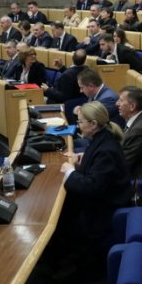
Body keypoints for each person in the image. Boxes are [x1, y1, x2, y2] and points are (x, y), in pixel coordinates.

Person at [58, 101, 131, 269]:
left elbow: (92, 187)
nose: (78, 126)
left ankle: (69, 264)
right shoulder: (101, 139)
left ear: (93, 124)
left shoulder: (105, 149)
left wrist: (70, 172)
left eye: (80, 122)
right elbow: (95, 171)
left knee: (61, 212)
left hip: (103, 209)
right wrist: (80, 164)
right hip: (102, 199)